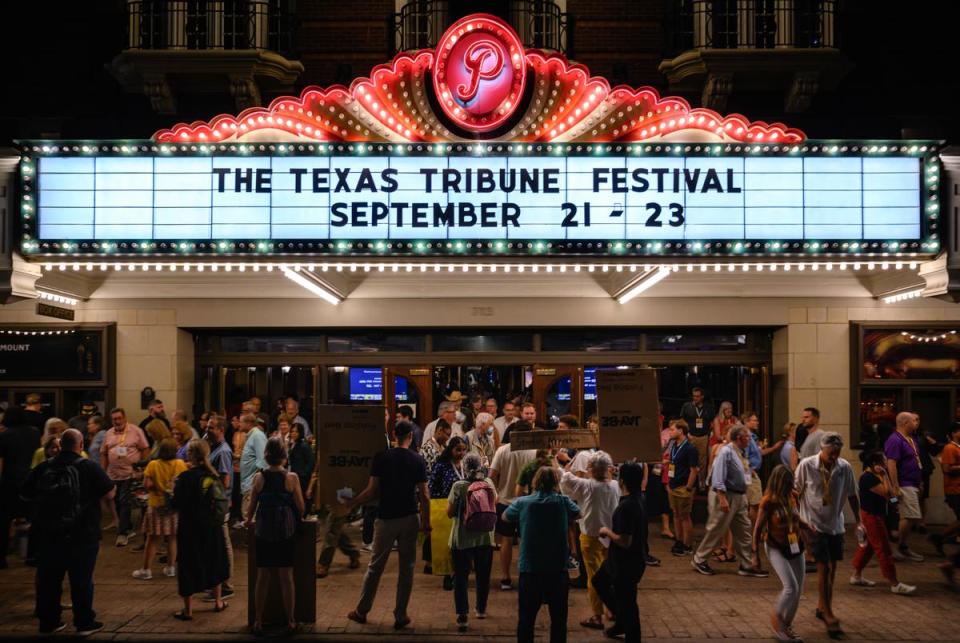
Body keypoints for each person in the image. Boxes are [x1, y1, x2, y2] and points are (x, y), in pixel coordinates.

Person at [21, 429, 114, 635]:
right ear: (80, 445)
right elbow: (109, 492)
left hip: (49, 534)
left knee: (49, 581)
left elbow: (25, 493)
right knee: (81, 580)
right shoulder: (89, 466)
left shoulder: (44, 467)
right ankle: (84, 622)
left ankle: (49, 622)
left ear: (60, 445)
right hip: (83, 533)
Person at [345, 421, 430, 630]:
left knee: (375, 567)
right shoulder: (418, 460)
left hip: (386, 518)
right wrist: (426, 522)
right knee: (407, 568)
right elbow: (425, 495)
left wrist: (353, 501)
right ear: (411, 435)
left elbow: (372, 490)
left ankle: (362, 611)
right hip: (410, 517)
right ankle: (400, 614)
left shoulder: (382, 458)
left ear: (394, 434)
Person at [795, 432, 862, 639]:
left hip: (835, 523)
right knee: (824, 567)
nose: (834, 456)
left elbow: (852, 494)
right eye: (830, 453)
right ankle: (828, 613)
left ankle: (822, 606)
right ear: (822, 449)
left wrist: (859, 521)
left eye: (837, 453)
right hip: (813, 524)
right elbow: (794, 493)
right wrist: (799, 520)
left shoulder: (844, 467)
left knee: (833, 567)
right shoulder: (807, 465)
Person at [502, 465, 580, 643]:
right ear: (555, 482)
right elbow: (578, 514)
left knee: (526, 619)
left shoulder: (523, 502)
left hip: (530, 567)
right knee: (559, 619)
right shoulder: (563, 501)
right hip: (557, 568)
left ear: (535, 481)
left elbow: (506, 516)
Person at [244, 437, 304, 635]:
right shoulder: (292, 478)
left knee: (263, 576)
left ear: (266, 456)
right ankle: (290, 620)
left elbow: (251, 507)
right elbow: (301, 507)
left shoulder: (259, 478)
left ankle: (259, 620)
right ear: (284, 456)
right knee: (286, 576)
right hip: (285, 530)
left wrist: (247, 521)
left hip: (264, 530)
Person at [691, 425, 768, 578]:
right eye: (747, 437)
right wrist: (722, 498)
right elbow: (718, 476)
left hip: (739, 496)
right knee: (716, 528)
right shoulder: (726, 452)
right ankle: (699, 559)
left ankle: (746, 565)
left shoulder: (740, 452)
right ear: (739, 438)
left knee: (744, 530)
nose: (750, 439)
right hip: (726, 495)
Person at [171, 439, 231, 621]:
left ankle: (188, 610)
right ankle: (218, 602)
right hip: (212, 528)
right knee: (214, 561)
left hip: (189, 529)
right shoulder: (212, 476)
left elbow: (175, 504)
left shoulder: (185, 478)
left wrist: (171, 490)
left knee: (188, 565)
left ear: (190, 455)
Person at [560, 451, 619, 631]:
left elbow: (564, 478)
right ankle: (611, 608)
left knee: (594, 577)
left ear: (591, 469)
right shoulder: (615, 485)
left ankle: (597, 615)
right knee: (608, 575)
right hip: (610, 537)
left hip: (590, 537)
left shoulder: (587, 485)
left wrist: (563, 461)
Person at [752, 465, 807, 643]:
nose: (789, 487)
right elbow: (758, 528)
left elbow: (796, 518)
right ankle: (777, 621)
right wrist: (755, 554)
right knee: (790, 586)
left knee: (798, 589)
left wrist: (809, 528)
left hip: (796, 545)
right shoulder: (768, 501)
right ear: (778, 482)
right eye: (787, 484)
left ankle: (786, 625)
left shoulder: (793, 496)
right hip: (776, 546)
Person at [593, 462, 647, 642]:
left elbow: (625, 541)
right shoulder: (639, 498)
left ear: (622, 480)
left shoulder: (627, 506)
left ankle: (632, 634)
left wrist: (606, 532)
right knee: (599, 581)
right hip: (622, 560)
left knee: (628, 602)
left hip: (626, 562)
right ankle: (621, 620)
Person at [850, 451, 916, 594]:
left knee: (868, 547)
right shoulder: (868, 478)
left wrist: (893, 499)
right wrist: (886, 475)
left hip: (877, 516)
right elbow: (887, 493)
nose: (886, 464)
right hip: (872, 517)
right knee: (884, 549)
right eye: (884, 462)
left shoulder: (876, 476)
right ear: (875, 464)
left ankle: (856, 575)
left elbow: (892, 495)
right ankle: (894, 583)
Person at [447, 452, 497, 632]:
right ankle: (481, 609)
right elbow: (495, 502)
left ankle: (462, 616)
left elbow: (450, 512)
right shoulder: (488, 484)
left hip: (462, 539)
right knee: (483, 575)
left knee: (460, 577)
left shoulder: (459, 486)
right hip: (485, 537)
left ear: (464, 467)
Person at [488, 420, 537, 591]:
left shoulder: (502, 450)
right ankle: (526, 575)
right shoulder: (536, 452)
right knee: (527, 540)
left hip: (505, 501)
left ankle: (505, 577)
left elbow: (491, 474)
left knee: (506, 541)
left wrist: (495, 492)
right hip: (529, 501)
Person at [133, 438, 187, 580]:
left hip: (156, 505)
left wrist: (158, 486)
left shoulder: (153, 465)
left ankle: (146, 570)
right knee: (172, 537)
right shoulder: (180, 464)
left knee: (152, 539)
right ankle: (170, 568)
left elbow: (147, 484)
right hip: (173, 506)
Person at [101, 408, 149, 547]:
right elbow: (104, 453)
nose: (117, 421)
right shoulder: (109, 433)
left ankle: (122, 533)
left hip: (130, 474)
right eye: (114, 419)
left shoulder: (135, 431)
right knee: (116, 501)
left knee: (124, 501)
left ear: (124, 418)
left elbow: (145, 449)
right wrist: (103, 472)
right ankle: (127, 526)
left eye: (119, 418)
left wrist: (143, 468)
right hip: (112, 474)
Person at [0, 406, 41, 569]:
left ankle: (1, 558)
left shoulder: (4, 436)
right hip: (31, 481)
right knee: (34, 520)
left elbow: (1, 463)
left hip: (9, 483)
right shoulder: (35, 433)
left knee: (3, 521)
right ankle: (32, 556)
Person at [884, 411, 924, 562]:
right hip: (904, 484)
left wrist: (919, 482)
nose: (916, 423)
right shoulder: (895, 440)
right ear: (905, 423)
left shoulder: (911, 439)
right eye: (914, 421)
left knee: (910, 516)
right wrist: (895, 486)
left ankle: (902, 545)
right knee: (909, 516)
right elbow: (891, 463)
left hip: (912, 483)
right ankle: (898, 547)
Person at [204, 416, 236, 601]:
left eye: (212, 427)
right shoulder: (214, 448)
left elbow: (225, 480)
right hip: (215, 503)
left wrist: (216, 497)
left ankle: (226, 585)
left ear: (221, 429)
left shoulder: (223, 452)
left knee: (223, 544)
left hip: (219, 504)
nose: (208, 429)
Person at [666, 419, 699, 557]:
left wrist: (689, 488)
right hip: (673, 485)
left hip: (683, 487)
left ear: (681, 431)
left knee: (685, 517)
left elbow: (694, 469)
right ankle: (679, 541)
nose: (670, 432)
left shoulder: (690, 448)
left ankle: (687, 545)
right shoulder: (674, 445)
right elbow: (673, 462)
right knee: (676, 515)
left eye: (673, 429)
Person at [933, 422, 960, 586]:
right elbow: (946, 469)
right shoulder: (950, 448)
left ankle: (941, 538)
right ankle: (941, 538)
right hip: (955, 490)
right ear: (953, 433)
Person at [680, 387, 715, 488]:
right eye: (694, 396)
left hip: (703, 437)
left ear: (702, 397)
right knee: (688, 459)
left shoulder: (708, 407)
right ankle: (687, 481)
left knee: (702, 461)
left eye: (697, 396)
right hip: (690, 436)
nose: (695, 398)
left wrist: (708, 432)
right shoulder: (687, 406)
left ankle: (701, 482)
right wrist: (687, 434)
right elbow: (682, 421)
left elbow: (712, 423)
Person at [239, 413, 267, 520]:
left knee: (251, 519)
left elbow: (263, 462)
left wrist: (255, 486)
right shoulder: (252, 436)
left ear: (249, 423)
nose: (239, 424)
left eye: (241, 421)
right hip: (248, 485)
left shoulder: (257, 436)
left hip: (252, 486)